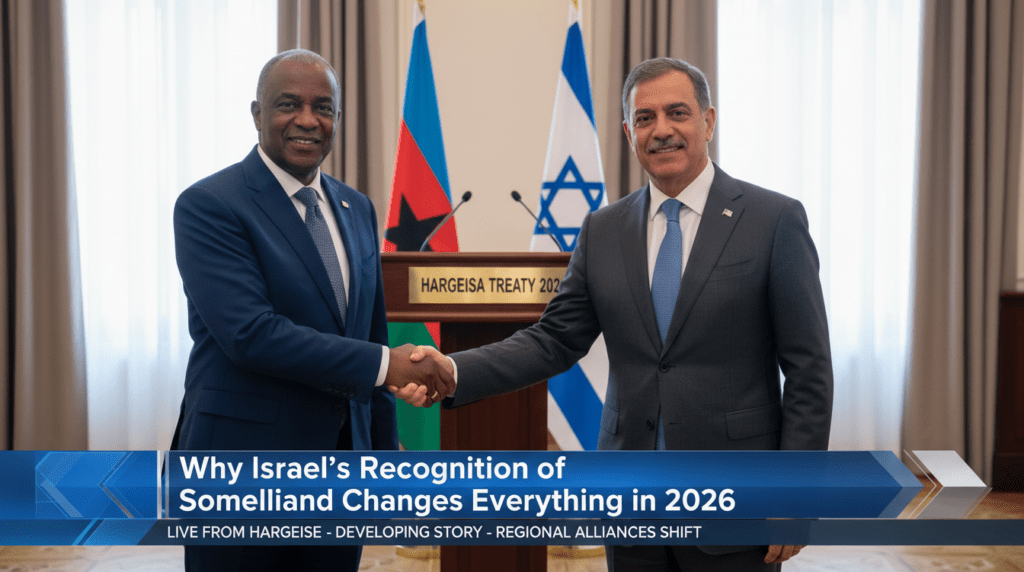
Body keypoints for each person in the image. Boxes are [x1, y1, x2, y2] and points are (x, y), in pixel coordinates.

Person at [397, 58, 833, 571]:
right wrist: (453, 369)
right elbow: (554, 339)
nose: (662, 130)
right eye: (645, 118)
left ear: (708, 122)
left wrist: (794, 490)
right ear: (629, 132)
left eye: (678, 113)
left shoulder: (774, 220)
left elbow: (808, 371)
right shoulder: (604, 229)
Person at [170, 49, 452, 572]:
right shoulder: (209, 204)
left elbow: (371, 332)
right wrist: (389, 364)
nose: (307, 120)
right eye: (288, 104)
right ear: (257, 114)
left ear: (338, 119)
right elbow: (251, 334)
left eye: (323, 107)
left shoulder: (356, 208)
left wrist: (384, 465)